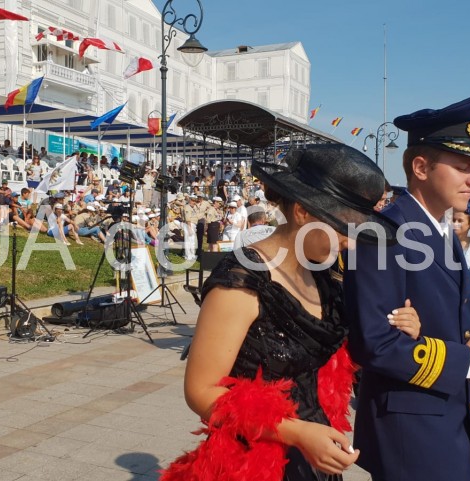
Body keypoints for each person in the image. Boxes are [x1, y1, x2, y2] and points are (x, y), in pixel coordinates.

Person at [163, 144, 419, 481]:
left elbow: (344, 358)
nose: (351, 242)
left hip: (315, 460)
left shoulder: (325, 276)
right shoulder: (240, 283)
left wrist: (400, 326)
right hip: (252, 463)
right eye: (345, 227)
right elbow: (200, 392)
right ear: (302, 211)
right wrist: (296, 432)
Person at [344, 96, 470, 481]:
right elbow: (375, 345)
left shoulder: (443, 230)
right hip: (412, 432)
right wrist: (467, 363)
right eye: (463, 167)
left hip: (455, 418)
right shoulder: (382, 235)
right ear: (421, 167)